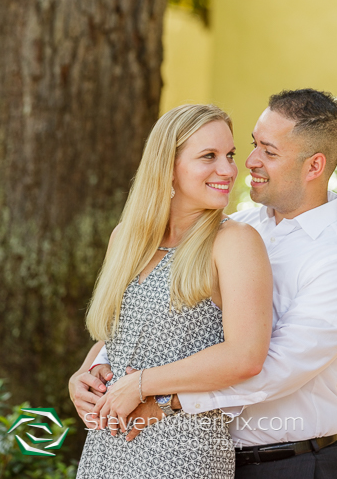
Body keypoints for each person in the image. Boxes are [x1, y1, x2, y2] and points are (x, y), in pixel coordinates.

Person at [71, 89, 337, 479]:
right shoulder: (238, 225)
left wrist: (163, 398)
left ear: (313, 166)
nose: (246, 164)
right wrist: (89, 374)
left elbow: (269, 366)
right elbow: (154, 321)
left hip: (293, 463)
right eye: (250, 147)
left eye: (268, 151)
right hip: (210, 452)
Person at [73, 103, 273, 479]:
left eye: (229, 155)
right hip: (106, 447)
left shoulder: (234, 241)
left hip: (183, 451)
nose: (228, 169)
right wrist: (82, 377)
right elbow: (120, 335)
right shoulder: (126, 239)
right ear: (168, 166)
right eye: (208, 156)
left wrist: (143, 384)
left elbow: (246, 356)